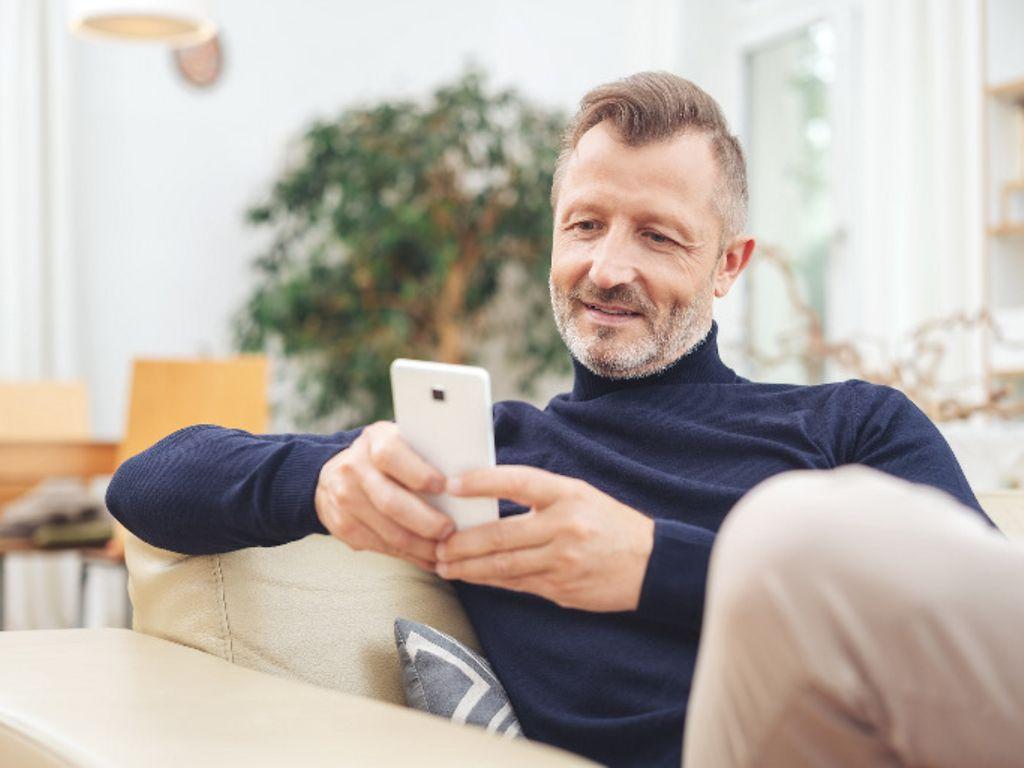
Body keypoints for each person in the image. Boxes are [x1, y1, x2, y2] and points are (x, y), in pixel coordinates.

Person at [105, 72, 1015, 767]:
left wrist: (650, 566)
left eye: (656, 236)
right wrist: (320, 479)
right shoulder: (492, 455)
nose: (606, 268)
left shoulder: (851, 424)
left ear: (728, 263)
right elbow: (145, 484)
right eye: (584, 225)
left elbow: (981, 639)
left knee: (808, 529)